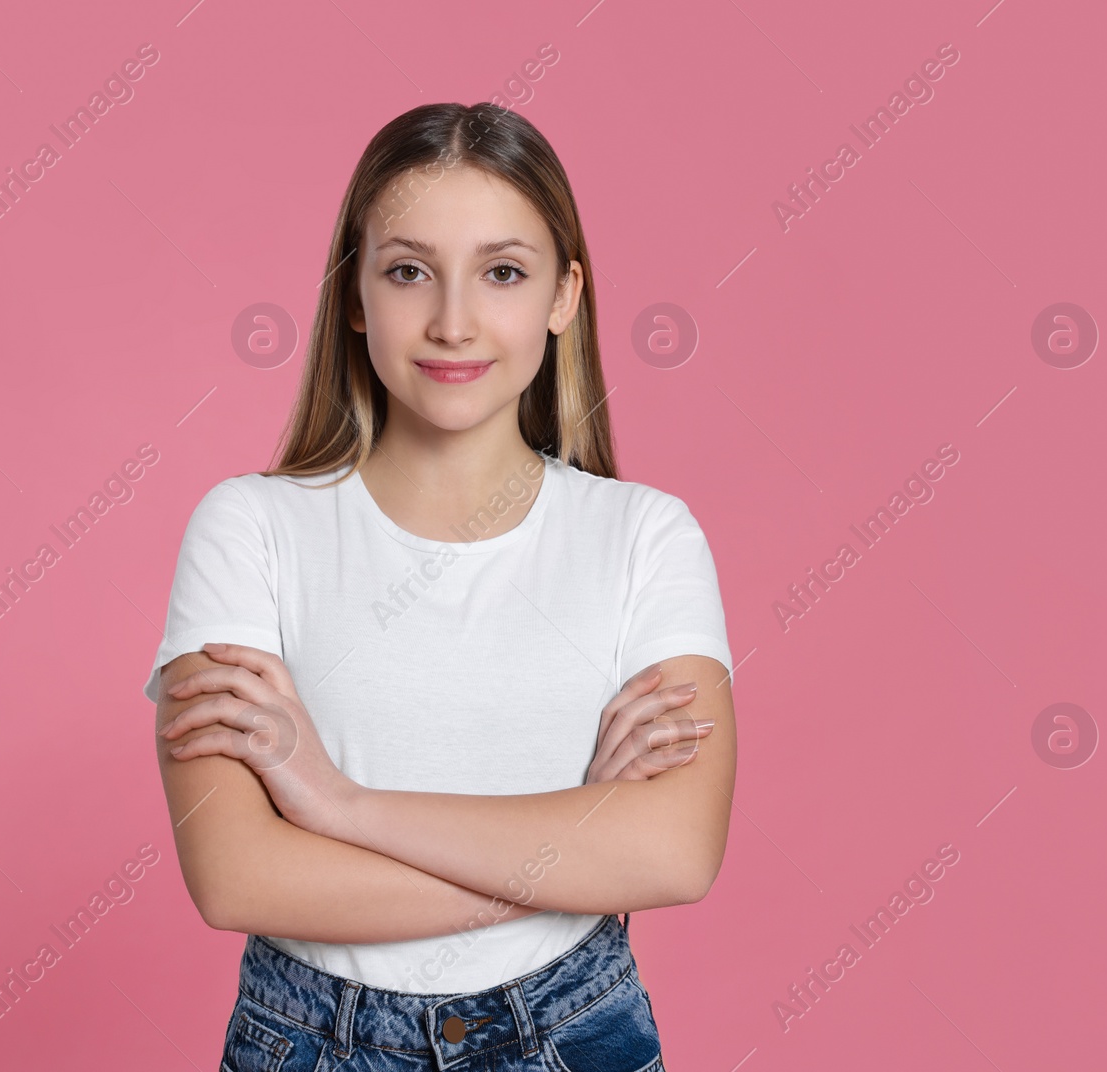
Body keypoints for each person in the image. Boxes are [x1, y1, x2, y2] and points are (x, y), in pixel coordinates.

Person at [146, 101, 737, 1072]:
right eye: (409, 270)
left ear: (562, 295)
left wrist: (336, 803)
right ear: (354, 292)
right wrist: (568, 850)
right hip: (310, 1041)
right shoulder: (250, 529)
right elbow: (235, 875)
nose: (453, 320)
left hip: (571, 1032)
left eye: (502, 272)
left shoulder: (644, 538)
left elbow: (674, 852)